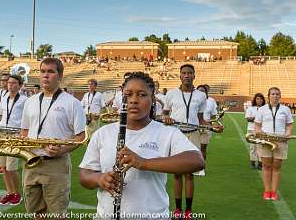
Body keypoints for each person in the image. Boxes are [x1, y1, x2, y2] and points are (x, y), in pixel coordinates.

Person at [79, 72, 204, 219]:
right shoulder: (103, 133)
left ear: (153, 99)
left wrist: (144, 163)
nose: (133, 100)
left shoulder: (166, 133)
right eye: (128, 94)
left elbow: (197, 161)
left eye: (142, 95)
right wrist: (100, 179)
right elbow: (84, 175)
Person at [20, 57, 86, 218]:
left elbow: (81, 137)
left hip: (56, 164)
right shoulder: (30, 101)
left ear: (60, 75)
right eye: (42, 71)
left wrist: (62, 150)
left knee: (58, 214)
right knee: (36, 213)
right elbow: (24, 131)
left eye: (50, 72)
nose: (45, 76)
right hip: (31, 163)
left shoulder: (72, 103)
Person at [162, 64, 207, 218]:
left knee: (189, 174)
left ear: (194, 76)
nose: (187, 75)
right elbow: (164, 114)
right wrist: (166, 118)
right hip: (175, 135)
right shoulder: (171, 94)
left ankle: (188, 210)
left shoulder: (201, 96)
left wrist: (213, 126)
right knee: (176, 174)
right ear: (180, 76)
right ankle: (177, 209)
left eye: (190, 73)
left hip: (193, 135)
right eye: (184, 73)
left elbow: (201, 119)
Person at [0, 75, 27, 205]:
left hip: (15, 136)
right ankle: (9, 193)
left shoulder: (25, 100)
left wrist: (24, 133)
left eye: (14, 83)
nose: (10, 85)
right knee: (3, 167)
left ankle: (17, 194)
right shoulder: (4, 98)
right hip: (1, 134)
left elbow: (29, 118)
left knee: (11, 168)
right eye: (9, 83)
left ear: (20, 85)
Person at [255, 87, 293, 201]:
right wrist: (259, 132)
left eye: (277, 94)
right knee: (266, 166)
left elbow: (289, 124)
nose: (275, 96)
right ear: (269, 96)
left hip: (281, 140)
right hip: (266, 139)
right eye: (273, 94)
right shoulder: (262, 109)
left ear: (280, 96)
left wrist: (288, 133)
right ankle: (267, 191)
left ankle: (274, 192)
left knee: (277, 167)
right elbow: (257, 125)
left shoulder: (286, 109)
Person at [245, 93, 265, 170]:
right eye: (257, 98)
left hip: (261, 130)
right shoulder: (250, 108)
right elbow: (248, 119)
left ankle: (260, 163)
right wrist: (258, 118)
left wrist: (256, 119)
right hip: (251, 129)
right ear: (255, 100)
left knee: (261, 146)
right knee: (252, 147)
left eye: (260, 98)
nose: (259, 100)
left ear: (263, 100)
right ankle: (252, 162)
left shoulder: (265, 108)